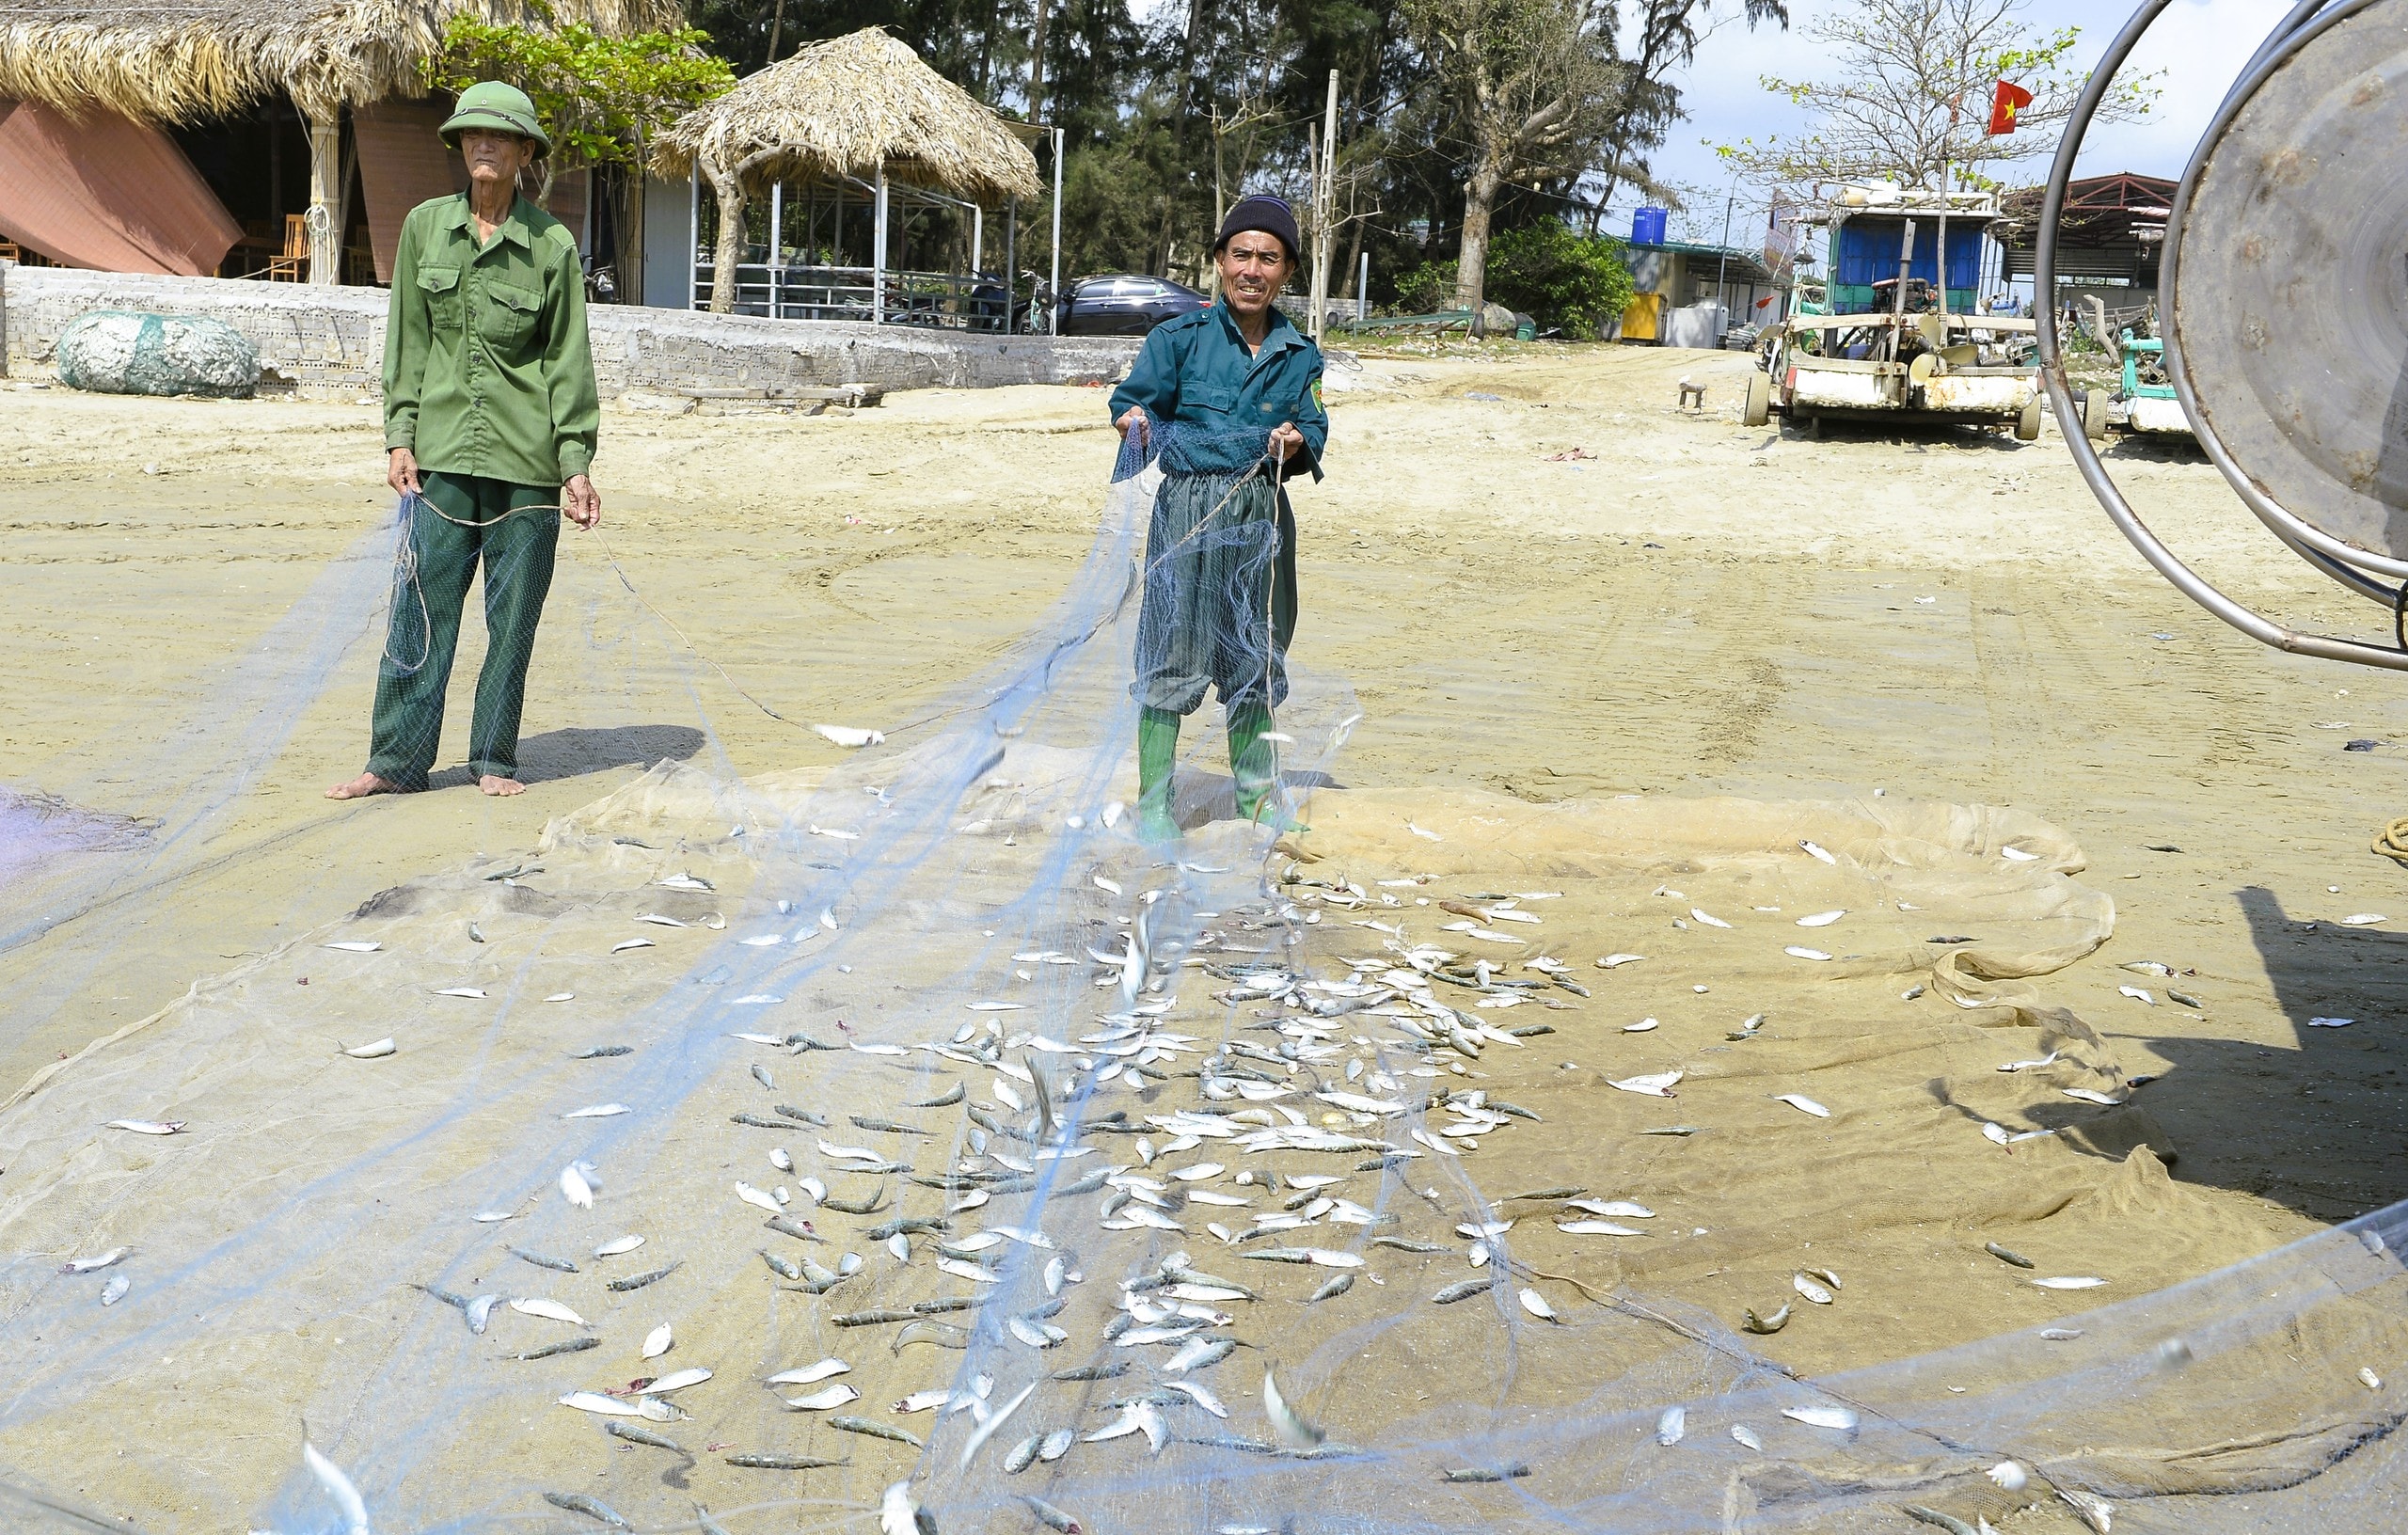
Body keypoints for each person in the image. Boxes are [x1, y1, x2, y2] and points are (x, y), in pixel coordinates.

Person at [327, 81, 601, 801]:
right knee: (418, 613)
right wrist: (399, 436)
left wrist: (575, 463)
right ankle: (396, 762)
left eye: (501, 137)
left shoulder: (552, 245)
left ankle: (493, 760)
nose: (484, 146)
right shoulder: (424, 228)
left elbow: (567, 359)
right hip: (440, 461)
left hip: (527, 467)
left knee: (511, 625)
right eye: (472, 135)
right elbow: (407, 342)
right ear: (459, 147)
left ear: (523, 154)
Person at [1109, 195, 1328, 839]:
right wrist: (1134, 423)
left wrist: (1295, 443)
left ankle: (1257, 798)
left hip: (1262, 515)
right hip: (1188, 514)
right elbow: (1132, 404)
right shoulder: (1176, 339)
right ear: (1219, 263)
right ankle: (1155, 806)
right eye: (1242, 255)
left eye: (1269, 258)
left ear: (1287, 271)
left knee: (1255, 653)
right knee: (1171, 651)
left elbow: (1314, 425)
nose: (1253, 270)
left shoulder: (1300, 354)